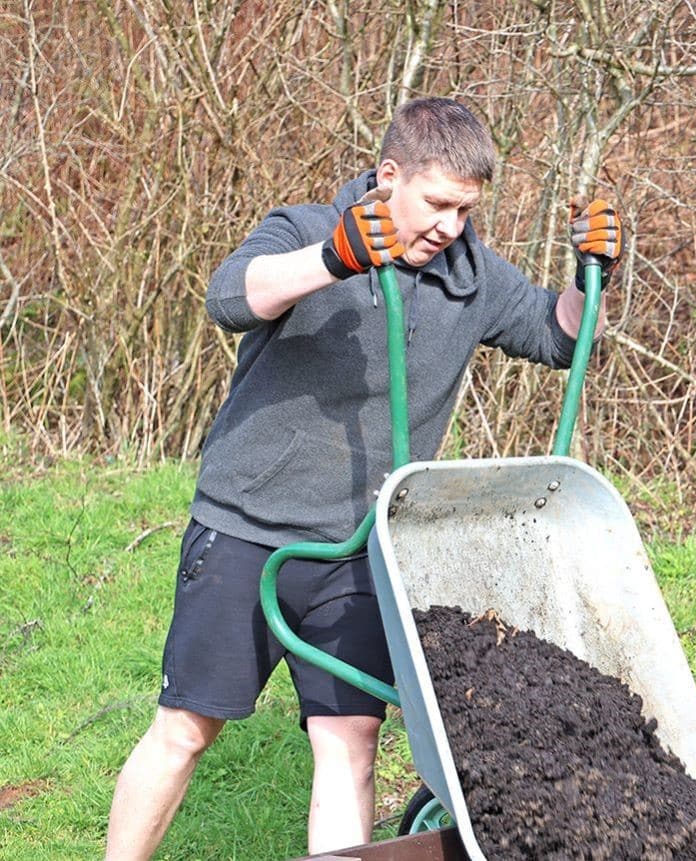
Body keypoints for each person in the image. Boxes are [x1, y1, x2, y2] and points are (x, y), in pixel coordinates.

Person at [104, 96, 623, 859]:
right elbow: (230, 296)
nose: (449, 226)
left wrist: (599, 274)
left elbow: (563, 334)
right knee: (186, 726)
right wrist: (334, 259)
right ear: (389, 176)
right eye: (438, 204)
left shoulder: (471, 274)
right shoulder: (307, 230)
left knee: (349, 745)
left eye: (465, 209)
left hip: (361, 549)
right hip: (249, 529)